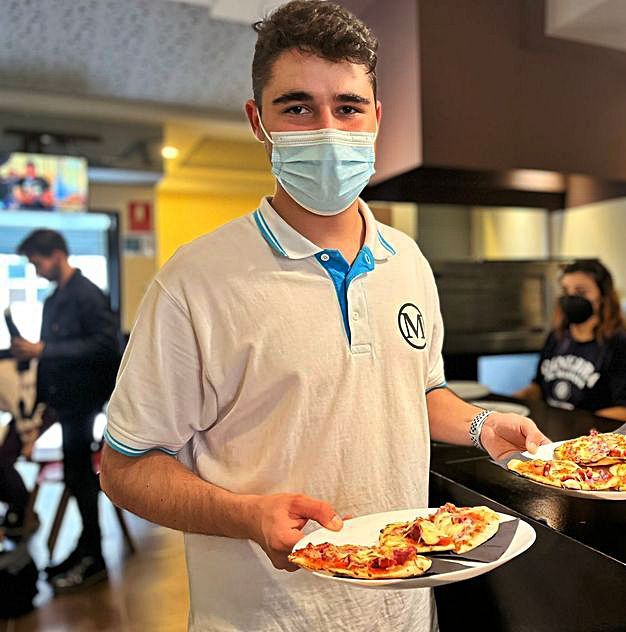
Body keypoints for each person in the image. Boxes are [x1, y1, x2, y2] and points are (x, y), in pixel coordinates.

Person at [99, 2, 549, 630]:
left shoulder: (408, 262)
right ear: (259, 121)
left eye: (347, 106)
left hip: (403, 606)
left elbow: (414, 391)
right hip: (267, 616)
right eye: (297, 107)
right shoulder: (194, 281)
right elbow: (125, 467)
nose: (328, 130)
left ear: (376, 119)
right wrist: (247, 516)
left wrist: (482, 427)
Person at [11, 229, 122, 591]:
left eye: (38, 261)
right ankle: (85, 549)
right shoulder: (55, 299)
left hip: (85, 401)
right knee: (76, 479)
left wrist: (42, 350)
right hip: (64, 401)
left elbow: (106, 347)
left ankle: (94, 556)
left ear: (57, 254)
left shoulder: (87, 295)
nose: (37, 269)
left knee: (81, 479)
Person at [514, 260, 626, 422]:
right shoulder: (556, 336)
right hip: (551, 433)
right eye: (566, 291)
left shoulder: (621, 345)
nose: (571, 298)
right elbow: (539, 388)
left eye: (581, 292)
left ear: (603, 296)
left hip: (590, 440)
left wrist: (575, 422)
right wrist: (511, 402)